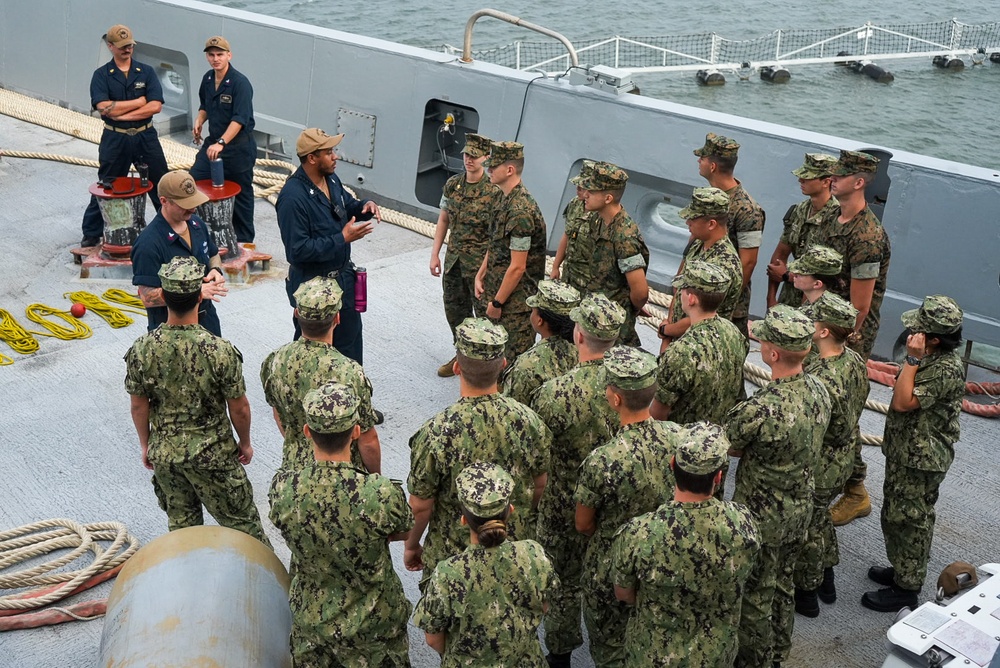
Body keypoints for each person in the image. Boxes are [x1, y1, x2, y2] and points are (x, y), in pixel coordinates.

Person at [125, 256, 269, 545]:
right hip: (213, 455)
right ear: (199, 298)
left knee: (183, 534)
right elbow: (238, 406)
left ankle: (188, 588)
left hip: (167, 456)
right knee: (244, 530)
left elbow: (139, 404)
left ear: (163, 295)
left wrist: (146, 444)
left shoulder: (142, 349)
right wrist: (245, 442)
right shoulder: (219, 350)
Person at [268, 382, 412, 666]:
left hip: (314, 619)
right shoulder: (379, 495)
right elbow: (405, 530)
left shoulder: (284, 490)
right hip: (374, 623)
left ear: (308, 432)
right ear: (356, 432)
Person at [725, 305, 831, 668]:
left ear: (771, 354)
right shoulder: (819, 389)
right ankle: (777, 653)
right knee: (784, 585)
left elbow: (731, 442)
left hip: (762, 517)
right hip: (800, 509)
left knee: (755, 593)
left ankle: (753, 660)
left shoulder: (764, 408)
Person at [405, 318, 551, 580]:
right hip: (512, 549)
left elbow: (420, 506)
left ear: (457, 367)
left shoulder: (436, 433)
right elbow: (539, 485)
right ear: (503, 365)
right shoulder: (530, 422)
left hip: (453, 558)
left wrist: (412, 545)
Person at [612, 422, 760, 668]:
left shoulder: (640, 533)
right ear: (719, 477)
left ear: (672, 465)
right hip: (716, 652)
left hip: (653, 653)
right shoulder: (743, 524)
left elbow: (624, 594)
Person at [531, 293, 624, 668]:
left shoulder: (554, 395)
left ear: (579, 335)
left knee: (562, 581)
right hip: (617, 499)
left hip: (563, 504)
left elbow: (536, 458)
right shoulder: (631, 384)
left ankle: (560, 654)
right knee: (611, 572)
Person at [575, 345, 683, 666]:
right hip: (663, 555)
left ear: (615, 398)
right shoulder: (679, 438)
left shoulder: (603, 460)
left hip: (610, 564)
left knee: (609, 647)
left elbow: (584, 524)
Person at [863, 295, 965, 612]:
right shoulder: (930, 359)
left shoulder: (944, 368)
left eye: (919, 331)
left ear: (933, 339)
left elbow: (903, 402)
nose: (911, 334)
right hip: (907, 451)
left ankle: (907, 587)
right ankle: (902, 568)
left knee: (911, 520)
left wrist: (911, 360)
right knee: (896, 514)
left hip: (923, 458)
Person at [413, 462, 557, 666]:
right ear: (510, 510)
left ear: (463, 519)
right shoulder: (533, 555)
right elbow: (544, 606)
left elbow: (434, 639)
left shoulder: (448, 574)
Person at [825, 149, 892, 528]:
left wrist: (838, 348)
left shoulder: (867, 235)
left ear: (859, 181)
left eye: (841, 174)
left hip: (846, 339)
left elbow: (859, 306)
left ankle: (856, 491)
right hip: (825, 331)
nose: (832, 179)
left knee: (842, 416)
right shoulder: (834, 219)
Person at [276, 127, 381, 363]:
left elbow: (347, 205)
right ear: (312, 158)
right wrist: (341, 238)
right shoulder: (292, 199)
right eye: (329, 152)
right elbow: (297, 251)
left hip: (343, 281)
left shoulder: (330, 179)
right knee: (313, 355)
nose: (336, 157)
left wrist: (365, 206)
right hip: (313, 289)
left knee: (350, 348)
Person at [792, 293, 869, 618]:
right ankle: (827, 577)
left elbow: (810, 428)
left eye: (813, 319)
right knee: (821, 516)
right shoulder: (853, 360)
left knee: (808, 526)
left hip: (820, 463)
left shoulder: (820, 378)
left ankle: (807, 593)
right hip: (845, 458)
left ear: (823, 331)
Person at [260, 277, 381, 477]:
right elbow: (367, 440)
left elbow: (279, 414)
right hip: (344, 475)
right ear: (337, 319)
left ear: (297, 314)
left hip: (296, 470)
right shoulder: (349, 372)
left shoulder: (275, 360)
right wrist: (375, 477)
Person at [81, 24, 169, 247]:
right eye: (122, 46)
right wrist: (140, 102)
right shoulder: (101, 75)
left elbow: (156, 106)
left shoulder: (146, 72)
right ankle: (91, 232)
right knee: (107, 183)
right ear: (110, 46)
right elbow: (102, 107)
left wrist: (120, 112)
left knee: (161, 183)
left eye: (130, 45)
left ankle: (168, 227)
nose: (127, 49)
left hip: (145, 137)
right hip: (115, 139)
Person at [556, 161, 650, 347]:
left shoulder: (624, 237)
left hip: (611, 326)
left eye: (591, 192)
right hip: (594, 313)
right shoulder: (598, 220)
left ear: (608, 198)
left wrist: (627, 310)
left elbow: (640, 292)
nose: (585, 195)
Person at [429, 132, 501, 377]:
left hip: (479, 266)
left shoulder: (493, 192)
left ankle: (484, 367)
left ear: (486, 158)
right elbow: (444, 219)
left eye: (475, 156)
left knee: (483, 318)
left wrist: (484, 270)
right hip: (454, 264)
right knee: (455, 312)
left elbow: (495, 237)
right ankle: (461, 355)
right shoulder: (453, 185)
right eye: (467, 155)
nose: (469, 160)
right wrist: (435, 254)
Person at [474, 141, 547, 361]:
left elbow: (518, 267)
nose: (488, 171)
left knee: (510, 363)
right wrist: (482, 272)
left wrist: (497, 304)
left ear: (509, 170)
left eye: (493, 167)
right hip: (498, 290)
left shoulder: (520, 211)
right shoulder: (501, 197)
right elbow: (495, 242)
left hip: (515, 305)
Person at [651, 260, 748, 425]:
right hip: (717, 437)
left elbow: (657, 415)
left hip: (684, 440)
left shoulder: (681, 352)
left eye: (682, 289)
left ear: (691, 299)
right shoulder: (734, 334)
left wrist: (667, 338)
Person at [131, 169, 227, 336]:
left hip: (207, 323)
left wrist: (215, 270)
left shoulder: (196, 224)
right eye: (185, 205)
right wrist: (195, 293)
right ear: (164, 201)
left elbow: (213, 254)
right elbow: (147, 297)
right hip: (170, 335)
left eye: (194, 202)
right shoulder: (148, 244)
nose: (193, 209)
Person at [694, 133, 766, 337]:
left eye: (703, 158)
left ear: (713, 166)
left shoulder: (746, 209)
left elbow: (748, 262)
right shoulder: (707, 199)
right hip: (697, 296)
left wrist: (719, 303)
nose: (699, 161)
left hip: (726, 308)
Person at [189, 36, 257, 243]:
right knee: (192, 181)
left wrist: (221, 143)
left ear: (229, 55)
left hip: (237, 148)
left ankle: (244, 239)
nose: (215, 59)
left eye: (220, 54)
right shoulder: (208, 80)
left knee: (241, 192)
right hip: (214, 143)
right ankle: (196, 229)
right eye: (211, 55)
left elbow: (239, 119)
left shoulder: (240, 83)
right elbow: (205, 105)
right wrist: (200, 120)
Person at [657, 187, 742, 351]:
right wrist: (668, 335)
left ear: (711, 224)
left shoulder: (724, 264)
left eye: (693, 219)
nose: (687, 222)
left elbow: (701, 316)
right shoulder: (698, 244)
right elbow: (679, 287)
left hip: (699, 348)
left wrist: (666, 330)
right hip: (678, 341)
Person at [766, 153, 841, 308]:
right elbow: (779, 256)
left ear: (826, 182)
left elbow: (828, 277)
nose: (800, 180)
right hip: (787, 300)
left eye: (807, 177)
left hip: (814, 306)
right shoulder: (798, 211)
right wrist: (771, 299)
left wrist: (787, 276)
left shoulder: (836, 219)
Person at [500, 279, 580, 407]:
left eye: (533, 310)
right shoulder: (585, 350)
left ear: (539, 320)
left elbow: (513, 410)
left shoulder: (526, 366)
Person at [549, 160, 596, 281]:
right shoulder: (575, 204)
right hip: (569, 273)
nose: (578, 189)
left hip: (588, 279)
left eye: (583, 187)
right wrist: (555, 267)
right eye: (578, 185)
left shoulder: (601, 214)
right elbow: (567, 234)